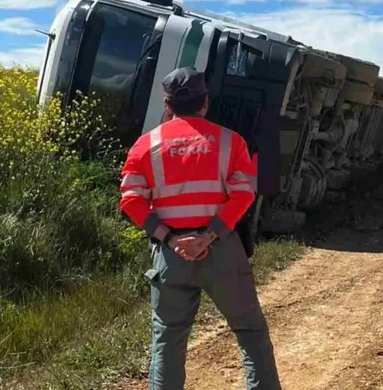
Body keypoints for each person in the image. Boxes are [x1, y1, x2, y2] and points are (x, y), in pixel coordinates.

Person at [119, 67, 281, 390]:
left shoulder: (145, 145)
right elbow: (244, 194)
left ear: (168, 104)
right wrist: (209, 236)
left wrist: (170, 239)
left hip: (171, 257)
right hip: (222, 251)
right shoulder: (231, 142)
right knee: (250, 331)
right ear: (205, 102)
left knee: (168, 340)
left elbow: (131, 200)